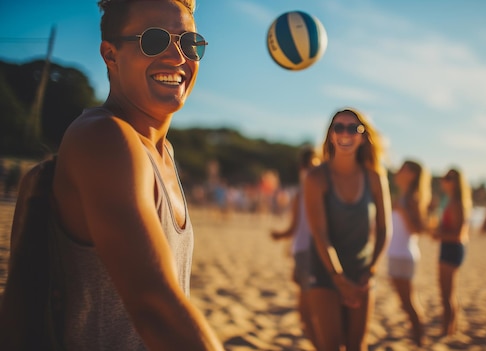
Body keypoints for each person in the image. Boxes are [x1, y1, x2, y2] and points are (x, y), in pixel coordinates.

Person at [6, 0, 224, 349]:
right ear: (111, 55)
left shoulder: (163, 153)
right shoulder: (105, 137)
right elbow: (156, 308)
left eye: (189, 43)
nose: (177, 56)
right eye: (154, 40)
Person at [303, 108, 391, 351]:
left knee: (357, 346)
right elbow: (320, 234)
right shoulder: (316, 178)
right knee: (330, 346)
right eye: (338, 127)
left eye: (353, 128)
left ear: (363, 136)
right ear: (331, 135)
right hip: (325, 271)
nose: (345, 134)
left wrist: (371, 269)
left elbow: (384, 229)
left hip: (362, 272)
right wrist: (338, 277)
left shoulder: (374, 177)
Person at [270, 146, 320, 347]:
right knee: (311, 305)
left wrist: (279, 235)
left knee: (306, 310)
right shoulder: (323, 186)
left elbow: (294, 227)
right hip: (313, 250)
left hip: (305, 251)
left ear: (300, 166)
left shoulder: (304, 191)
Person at [386, 160, 432, 346]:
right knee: (404, 300)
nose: (399, 170)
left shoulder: (413, 198)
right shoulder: (403, 196)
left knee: (408, 300)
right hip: (396, 253)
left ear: (412, 175)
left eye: (403, 168)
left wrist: (402, 211)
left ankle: (420, 336)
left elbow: (419, 229)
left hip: (404, 254)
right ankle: (417, 333)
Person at [432, 168, 472, 336]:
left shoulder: (457, 202)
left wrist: (438, 234)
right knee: (448, 293)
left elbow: (458, 235)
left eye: (448, 178)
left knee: (447, 293)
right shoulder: (448, 200)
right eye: (444, 177)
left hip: (452, 248)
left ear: (456, 182)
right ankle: (450, 327)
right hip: (448, 247)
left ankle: (447, 329)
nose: (444, 181)